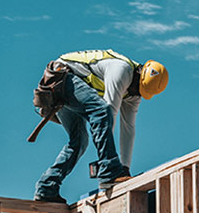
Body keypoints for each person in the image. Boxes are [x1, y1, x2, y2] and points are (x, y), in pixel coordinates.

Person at [33, 49, 168, 203]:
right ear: (139, 74)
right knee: (101, 110)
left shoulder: (134, 93)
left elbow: (128, 129)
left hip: (68, 87)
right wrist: (111, 169)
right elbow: (108, 112)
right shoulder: (121, 70)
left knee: (79, 142)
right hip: (61, 77)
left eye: (139, 92)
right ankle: (109, 170)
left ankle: (46, 187)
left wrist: (125, 168)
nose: (134, 93)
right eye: (136, 88)